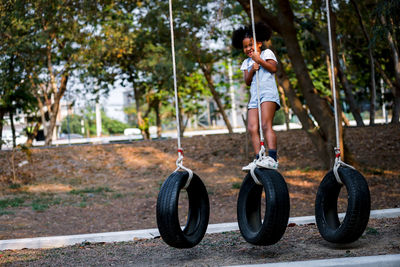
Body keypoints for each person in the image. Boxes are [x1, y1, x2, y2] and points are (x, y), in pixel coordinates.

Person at [232, 22, 280, 171]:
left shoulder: (266, 54)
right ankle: (258, 158)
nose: (248, 49)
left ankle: (272, 158)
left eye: (250, 45)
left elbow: (273, 68)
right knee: (252, 128)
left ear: (259, 43)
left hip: (268, 93)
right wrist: (252, 68)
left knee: (266, 125)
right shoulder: (246, 62)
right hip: (254, 97)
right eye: (245, 46)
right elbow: (247, 81)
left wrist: (259, 61)